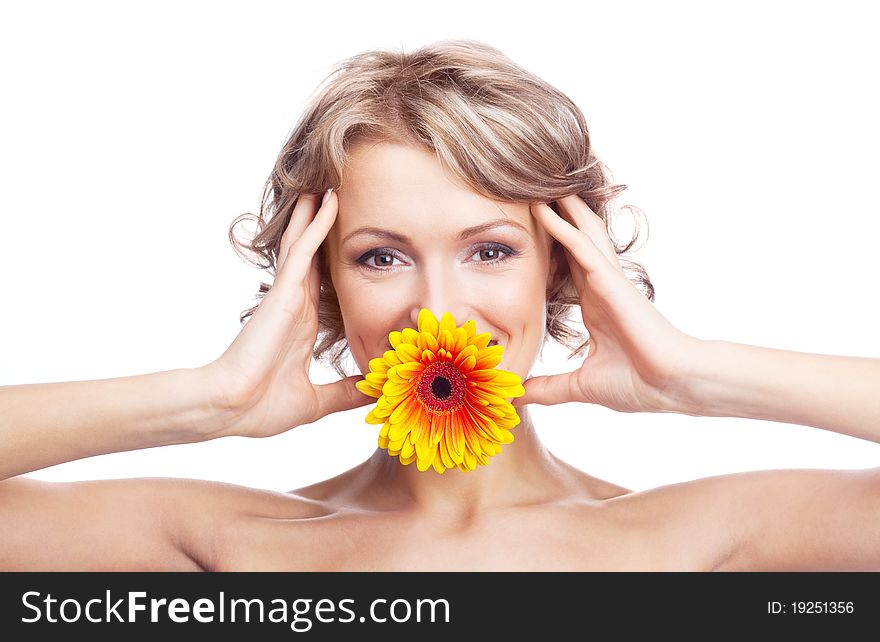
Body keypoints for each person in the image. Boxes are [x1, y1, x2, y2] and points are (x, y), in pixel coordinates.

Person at [1, 39, 878, 571]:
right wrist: (210, 399)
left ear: (565, 273)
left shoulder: (700, 539)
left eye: (490, 251)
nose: (439, 309)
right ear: (320, 291)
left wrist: (696, 374)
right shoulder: (229, 542)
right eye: (381, 256)